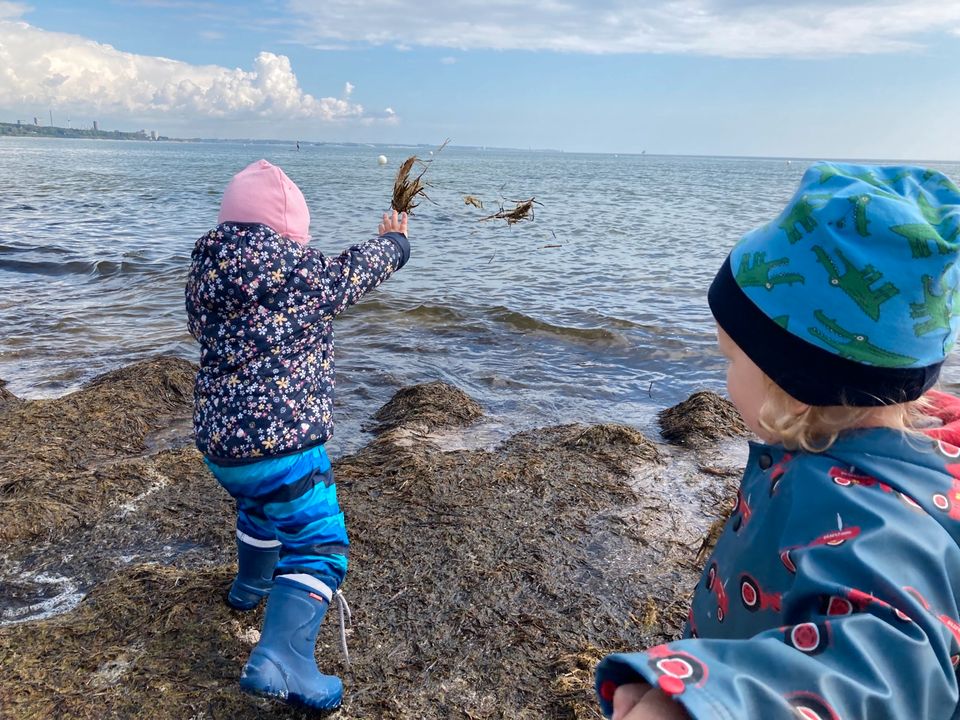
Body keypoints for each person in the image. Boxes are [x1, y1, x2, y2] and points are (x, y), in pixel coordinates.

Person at [596, 163, 960, 719]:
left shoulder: (869, 516)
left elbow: (881, 668)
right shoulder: (877, 444)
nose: (723, 376)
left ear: (790, 388)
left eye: (730, 358)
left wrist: (713, 703)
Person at [184, 159, 410, 711]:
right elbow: (353, 272)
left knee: (259, 511)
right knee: (319, 546)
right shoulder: (299, 273)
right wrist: (396, 245)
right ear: (291, 232)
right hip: (284, 444)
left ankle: (252, 588)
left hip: (221, 443)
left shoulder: (205, 274)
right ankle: (282, 658)